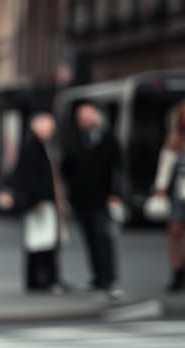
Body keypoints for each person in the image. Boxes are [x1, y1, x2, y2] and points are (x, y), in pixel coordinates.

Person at [0, 112, 69, 294]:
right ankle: (43, 280)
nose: (52, 131)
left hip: (43, 201)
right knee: (42, 243)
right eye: (49, 127)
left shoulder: (40, 145)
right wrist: (38, 198)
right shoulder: (33, 147)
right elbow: (31, 177)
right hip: (40, 202)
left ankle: (43, 279)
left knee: (44, 243)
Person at [60, 101, 125, 299]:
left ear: (97, 116)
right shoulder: (74, 139)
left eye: (88, 116)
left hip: (103, 199)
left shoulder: (108, 139)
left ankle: (110, 279)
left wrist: (115, 194)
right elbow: (66, 168)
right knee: (90, 240)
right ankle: (97, 278)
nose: (85, 120)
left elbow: (118, 169)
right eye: (82, 117)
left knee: (103, 238)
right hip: (81, 199)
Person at [152, 100, 185, 293]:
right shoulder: (175, 139)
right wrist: (160, 187)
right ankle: (177, 271)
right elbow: (165, 164)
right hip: (178, 192)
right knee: (175, 232)